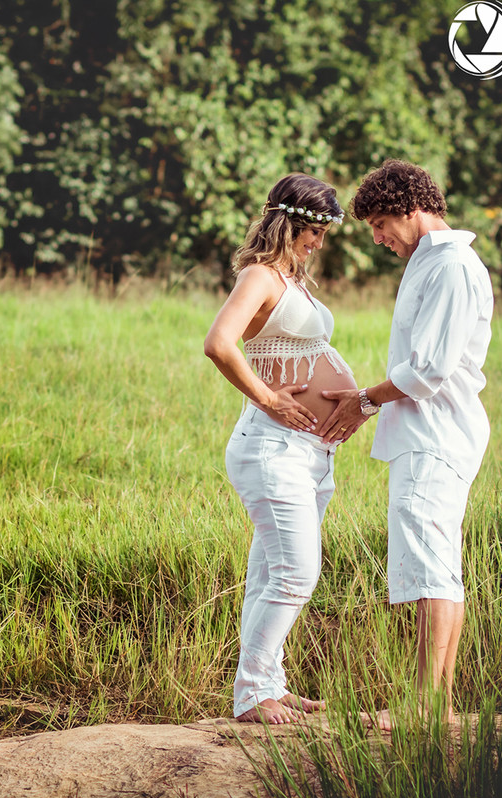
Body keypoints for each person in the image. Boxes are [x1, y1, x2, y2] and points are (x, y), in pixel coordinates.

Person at [317, 159, 493, 731]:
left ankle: (426, 705)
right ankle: (432, 701)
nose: (376, 238)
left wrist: (364, 401)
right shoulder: (432, 262)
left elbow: (430, 370)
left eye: (379, 224)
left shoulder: (449, 267)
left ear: (411, 210)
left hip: (436, 434)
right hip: (429, 432)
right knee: (433, 565)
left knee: (432, 567)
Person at [204, 173, 355, 724]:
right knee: (296, 573)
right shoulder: (260, 276)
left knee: (272, 573)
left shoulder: (294, 281)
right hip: (270, 446)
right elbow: (218, 343)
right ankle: (253, 695)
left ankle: (268, 685)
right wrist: (269, 398)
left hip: (308, 451)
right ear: (285, 223)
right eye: (311, 231)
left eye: (322, 232)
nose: (318, 242)